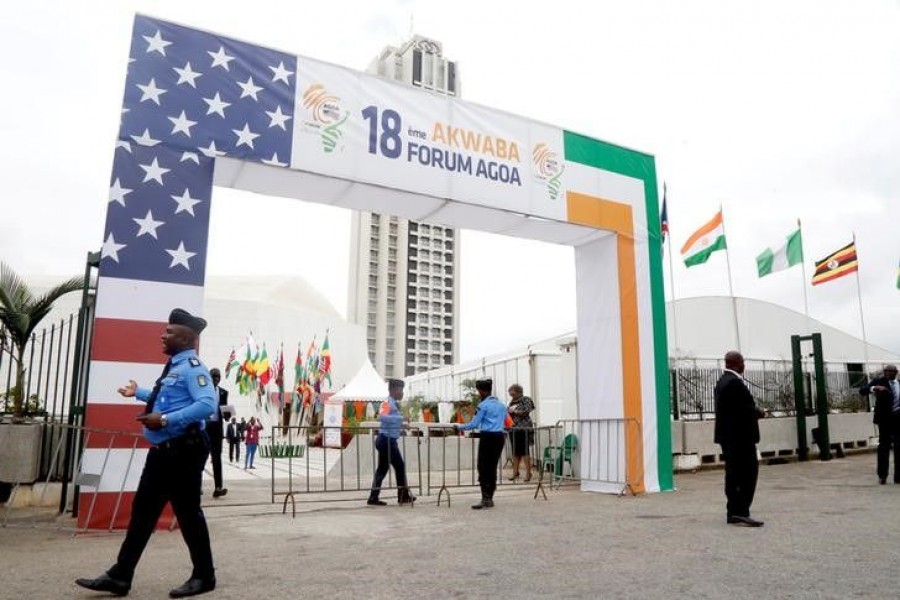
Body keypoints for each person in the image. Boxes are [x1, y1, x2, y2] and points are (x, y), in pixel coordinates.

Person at [75, 308, 218, 597]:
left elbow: (207, 405)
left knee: (188, 513)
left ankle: (204, 576)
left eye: (169, 332)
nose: (162, 336)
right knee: (143, 512)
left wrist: (164, 420)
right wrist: (139, 393)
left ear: (186, 337)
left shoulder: (193, 367)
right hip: (163, 452)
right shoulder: (174, 367)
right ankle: (120, 575)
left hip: (184, 451)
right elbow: (168, 398)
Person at [714, 351, 765, 528]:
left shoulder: (722, 381)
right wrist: (758, 412)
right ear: (736, 363)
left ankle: (734, 511)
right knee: (747, 474)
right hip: (740, 438)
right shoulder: (734, 383)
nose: (744, 365)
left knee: (733, 474)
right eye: (742, 362)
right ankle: (740, 511)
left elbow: (731, 409)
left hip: (729, 437)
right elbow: (743, 410)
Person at [456, 378, 509, 509]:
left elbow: (474, 424)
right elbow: (508, 422)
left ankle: (485, 498)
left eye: (479, 391)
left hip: (488, 437)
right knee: (492, 467)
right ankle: (489, 497)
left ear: (481, 391)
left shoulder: (483, 406)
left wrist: (459, 427)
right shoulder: (502, 405)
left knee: (483, 467)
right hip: (499, 437)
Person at [367, 379, 415, 506]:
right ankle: (402, 495)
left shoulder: (393, 404)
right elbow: (382, 417)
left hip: (387, 440)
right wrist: (402, 418)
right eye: (400, 390)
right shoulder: (387, 402)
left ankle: (373, 497)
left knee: (382, 469)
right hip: (386, 440)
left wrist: (402, 426)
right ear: (393, 390)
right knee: (399, 466)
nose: (402, 393)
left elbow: (390, 422)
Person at [859, 364, 900, 484]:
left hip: (898, 419)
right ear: (884, 372)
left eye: (892, 371)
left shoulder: (899, 383)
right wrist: (874, 388)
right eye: (887, 371)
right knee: (884, 447)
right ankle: (882, 475)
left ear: (896, 372)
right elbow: (862, 390)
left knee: (899, 447)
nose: (889, 373)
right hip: (884, 420)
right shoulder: (878, 382)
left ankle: (898, 476)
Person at [507, 384, 535, 482]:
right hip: (513, 429)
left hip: (524, 428)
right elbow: (509, 413)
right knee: (515, 452)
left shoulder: (526, 399)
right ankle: (515, 472)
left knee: (525, 451)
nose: (510, 394)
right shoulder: (512, 401)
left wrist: (514, 410)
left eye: (512, 392)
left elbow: (527, 410)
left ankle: (528, 473)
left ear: (518, 391)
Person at [206, 368, 228, 498]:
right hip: (205, 427)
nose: (216, 379)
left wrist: (227, 415)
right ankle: (197, 487)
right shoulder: (203, 391)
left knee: (217, 458)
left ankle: (218, 487)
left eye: (218, 377)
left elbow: (224, 412)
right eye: (214, 376)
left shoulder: (224, 392)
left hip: (217, 429)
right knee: (201, 457)